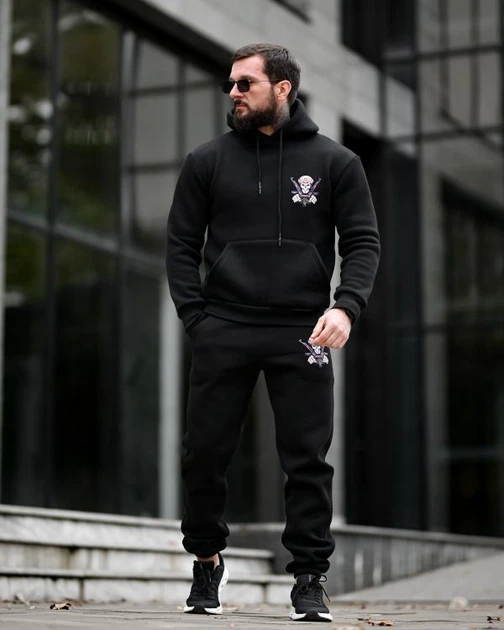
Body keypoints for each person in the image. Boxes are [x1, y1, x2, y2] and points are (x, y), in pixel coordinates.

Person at [166, 43, 380, 623]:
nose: (232, 93)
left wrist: (346, 308)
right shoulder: (206, 161)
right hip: (224, 327)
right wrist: (197, 319)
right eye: (230, 84)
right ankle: (206, 561)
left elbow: (362, 242)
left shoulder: (337, 162)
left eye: (245, 84)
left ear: (282, 88)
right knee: (204, 453)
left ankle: (309, 579)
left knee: (307, 460)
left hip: (302, 331)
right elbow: (181, 246)